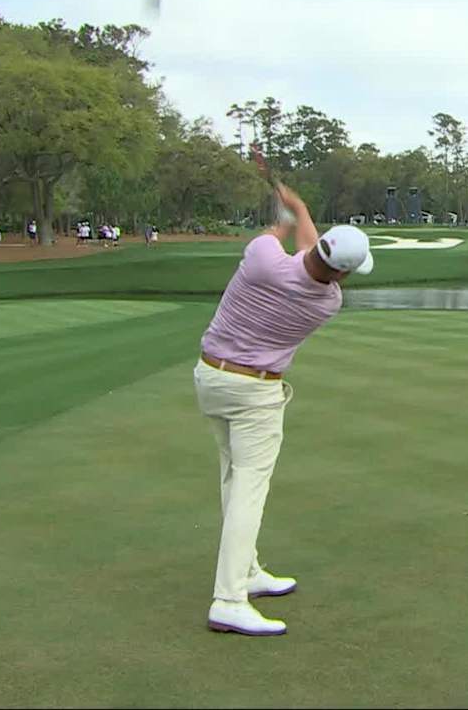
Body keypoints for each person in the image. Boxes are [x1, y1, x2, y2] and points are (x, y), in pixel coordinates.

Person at [194, 184, 374, 637]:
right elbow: (311, 257)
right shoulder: (328, 300)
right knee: (248, 490)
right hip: (254, 394)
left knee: (234, 478)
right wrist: (300, 210)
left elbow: (289, 243)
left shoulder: (260, 257)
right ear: (342, 274)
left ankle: (247, 572)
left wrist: (289, 213)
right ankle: (228, 599)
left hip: (210, 379)